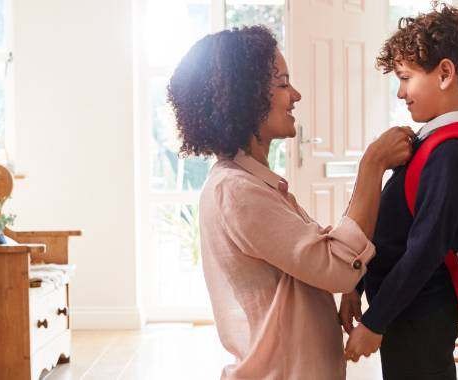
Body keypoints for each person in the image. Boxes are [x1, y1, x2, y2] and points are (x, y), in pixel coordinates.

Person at [167, 25, 416, 379]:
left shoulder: (253, 183)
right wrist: (372, 164)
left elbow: (323, 256)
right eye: (283, 83)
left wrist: (351, 286)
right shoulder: (238, 192)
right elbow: (338, 266)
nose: (295, 95)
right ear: (246, 97)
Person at [339, 5, 458, 379]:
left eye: (405, 78)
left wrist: (375, 322)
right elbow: (391, 225)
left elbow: (425, 250)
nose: (400, 93)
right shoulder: (432, 144)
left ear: (444, 74)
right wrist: (355, 286)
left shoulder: (453, 153)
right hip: (405, 307)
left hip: (422, 311)